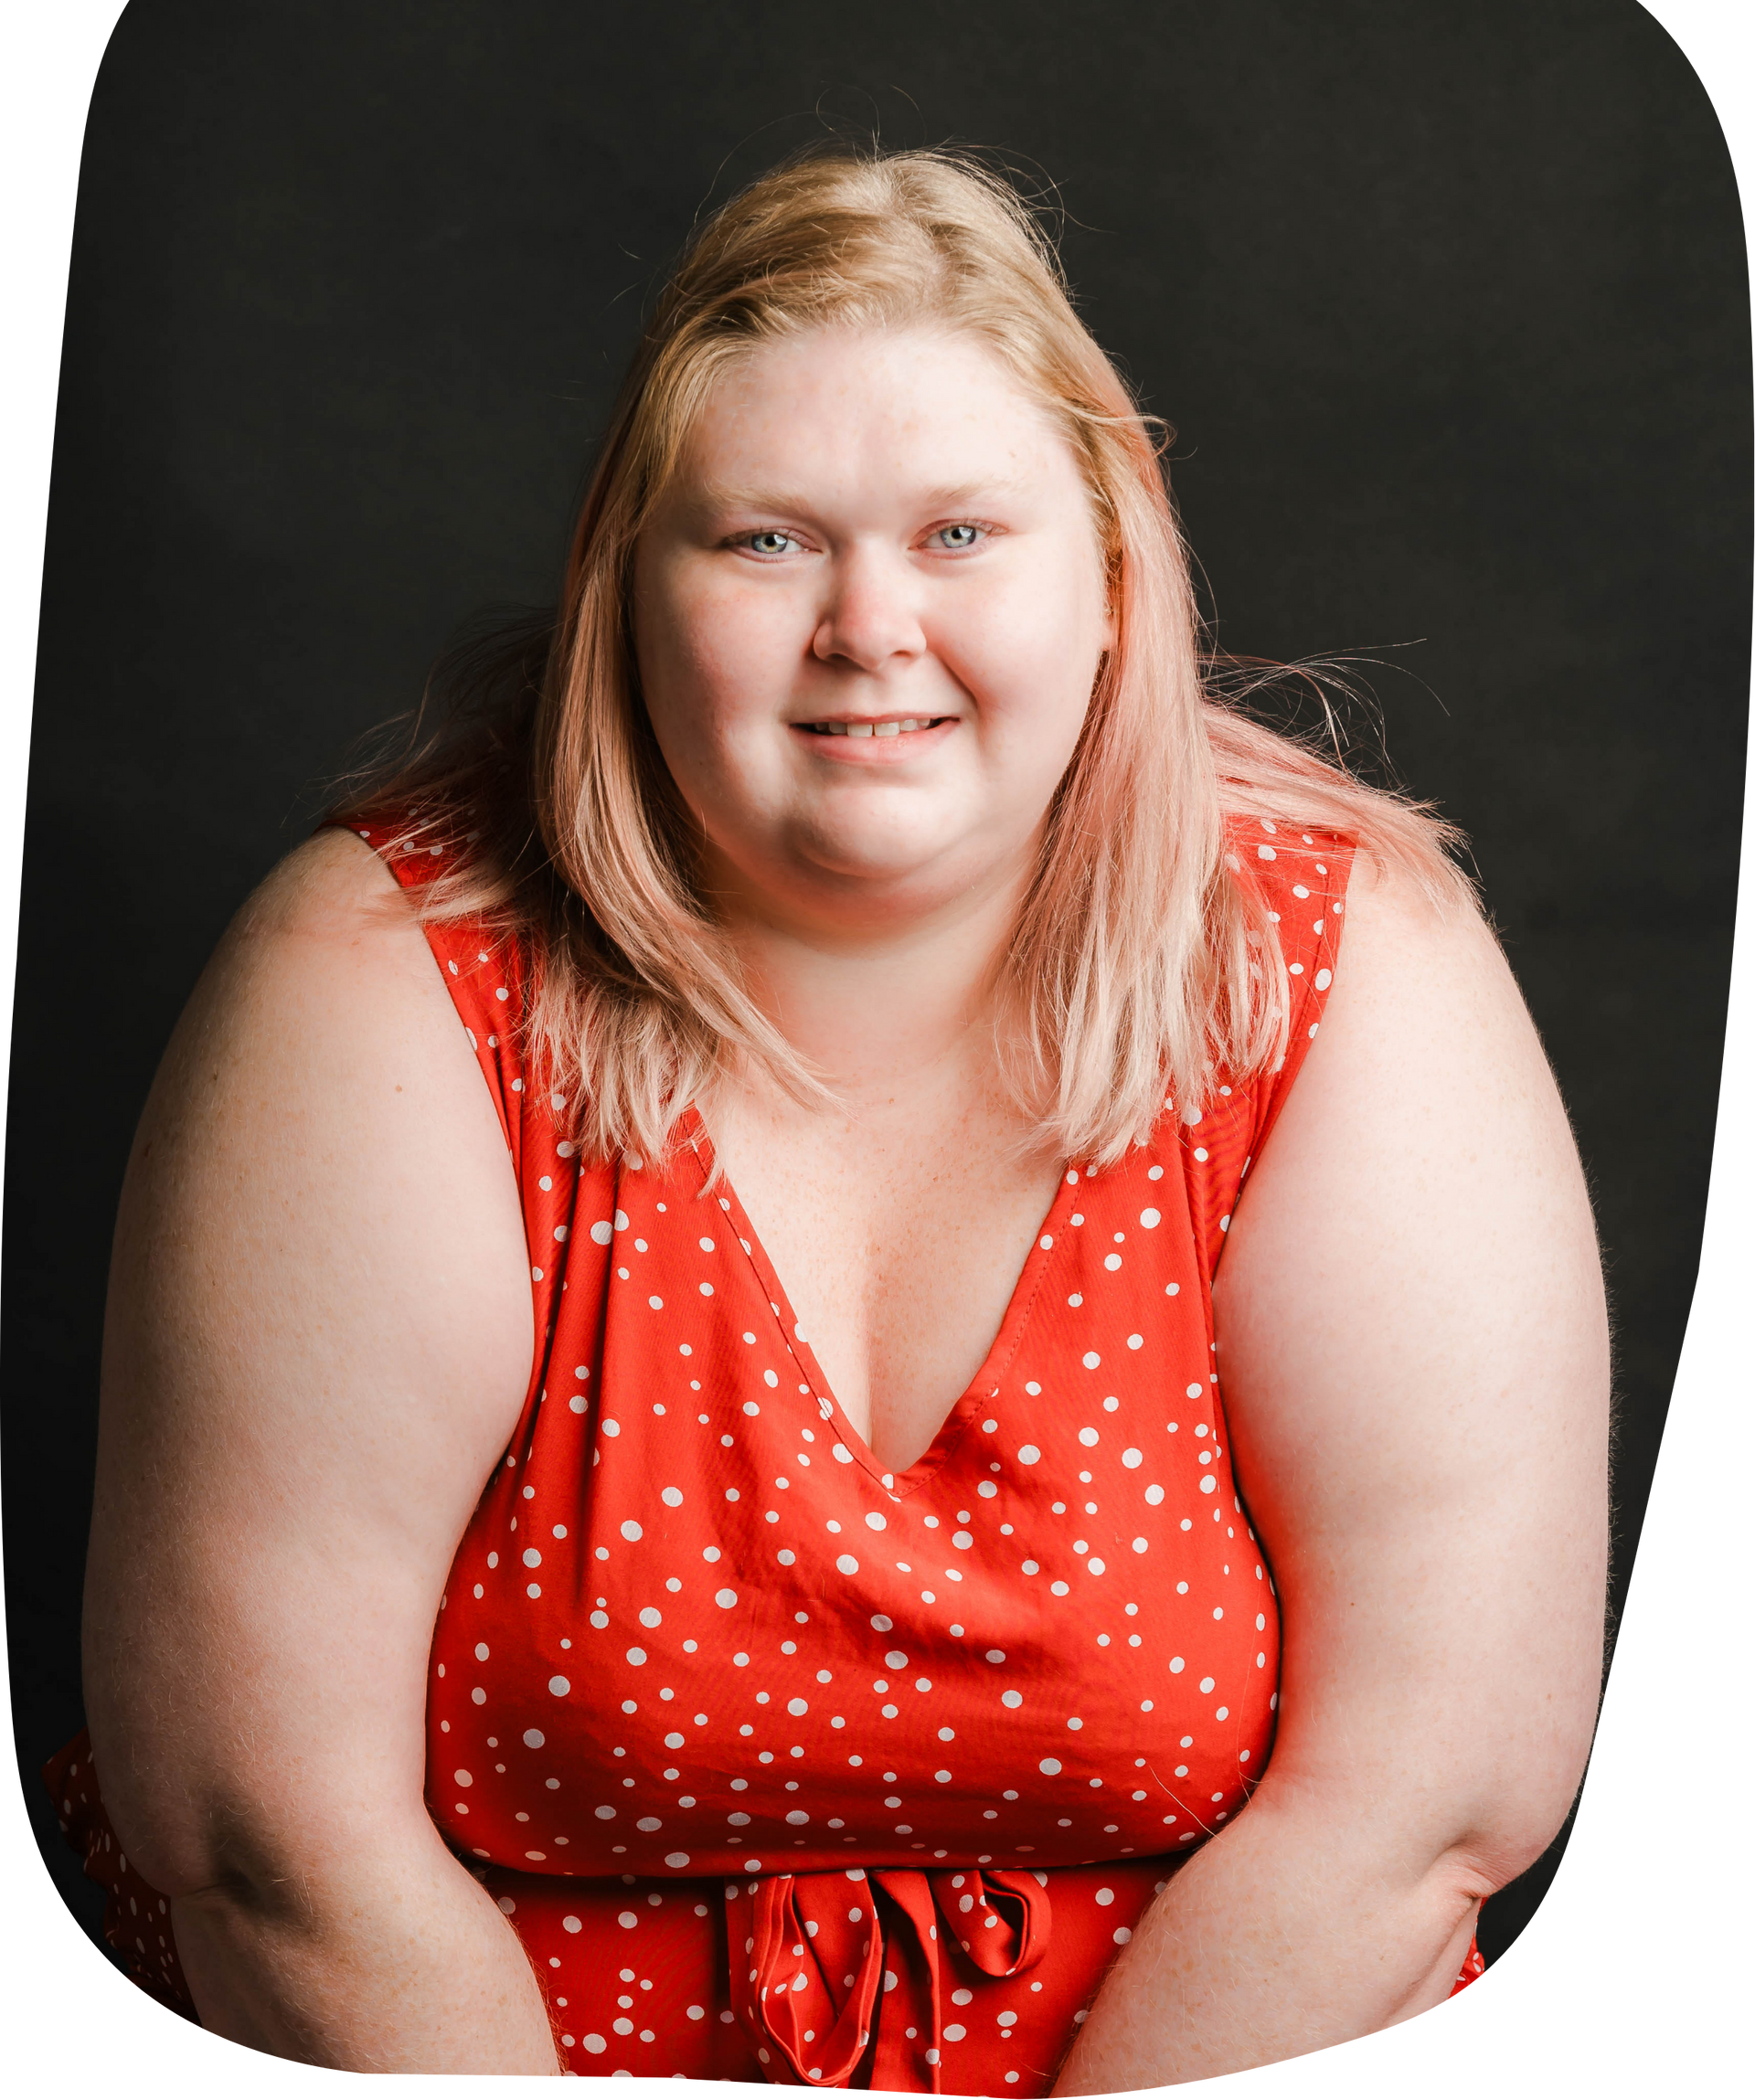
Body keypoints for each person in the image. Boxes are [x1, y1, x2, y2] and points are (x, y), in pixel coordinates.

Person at [47, 144, 1608, 2089]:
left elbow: (1431, 1806)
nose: (870, 623)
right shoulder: (384, 978)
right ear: (626, 589)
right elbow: (270, 1846)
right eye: (767, 540)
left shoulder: (1347, 964)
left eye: (961, 535)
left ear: (1116, 582)